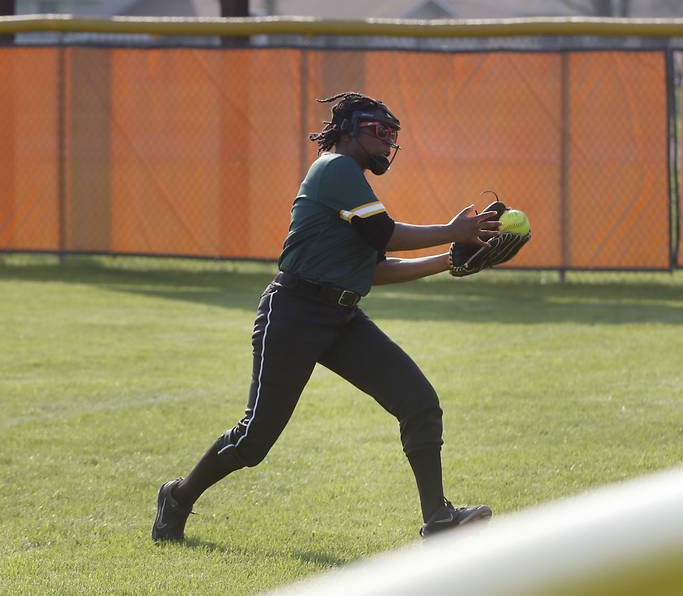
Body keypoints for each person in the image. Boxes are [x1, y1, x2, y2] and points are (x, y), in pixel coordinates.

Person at [152, 91, 500, 543]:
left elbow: (374, 269)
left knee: (419, 402)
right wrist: (453, 231)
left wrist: (448, 259)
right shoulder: (335, 167)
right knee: (254, 441)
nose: (388, 142)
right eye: (379, 131)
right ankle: (177, 497)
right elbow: (384, 233)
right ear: (348, 129)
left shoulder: (354, 183)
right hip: (294, 310)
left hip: (341, 316)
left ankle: (438, 519)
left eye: (393, 135)